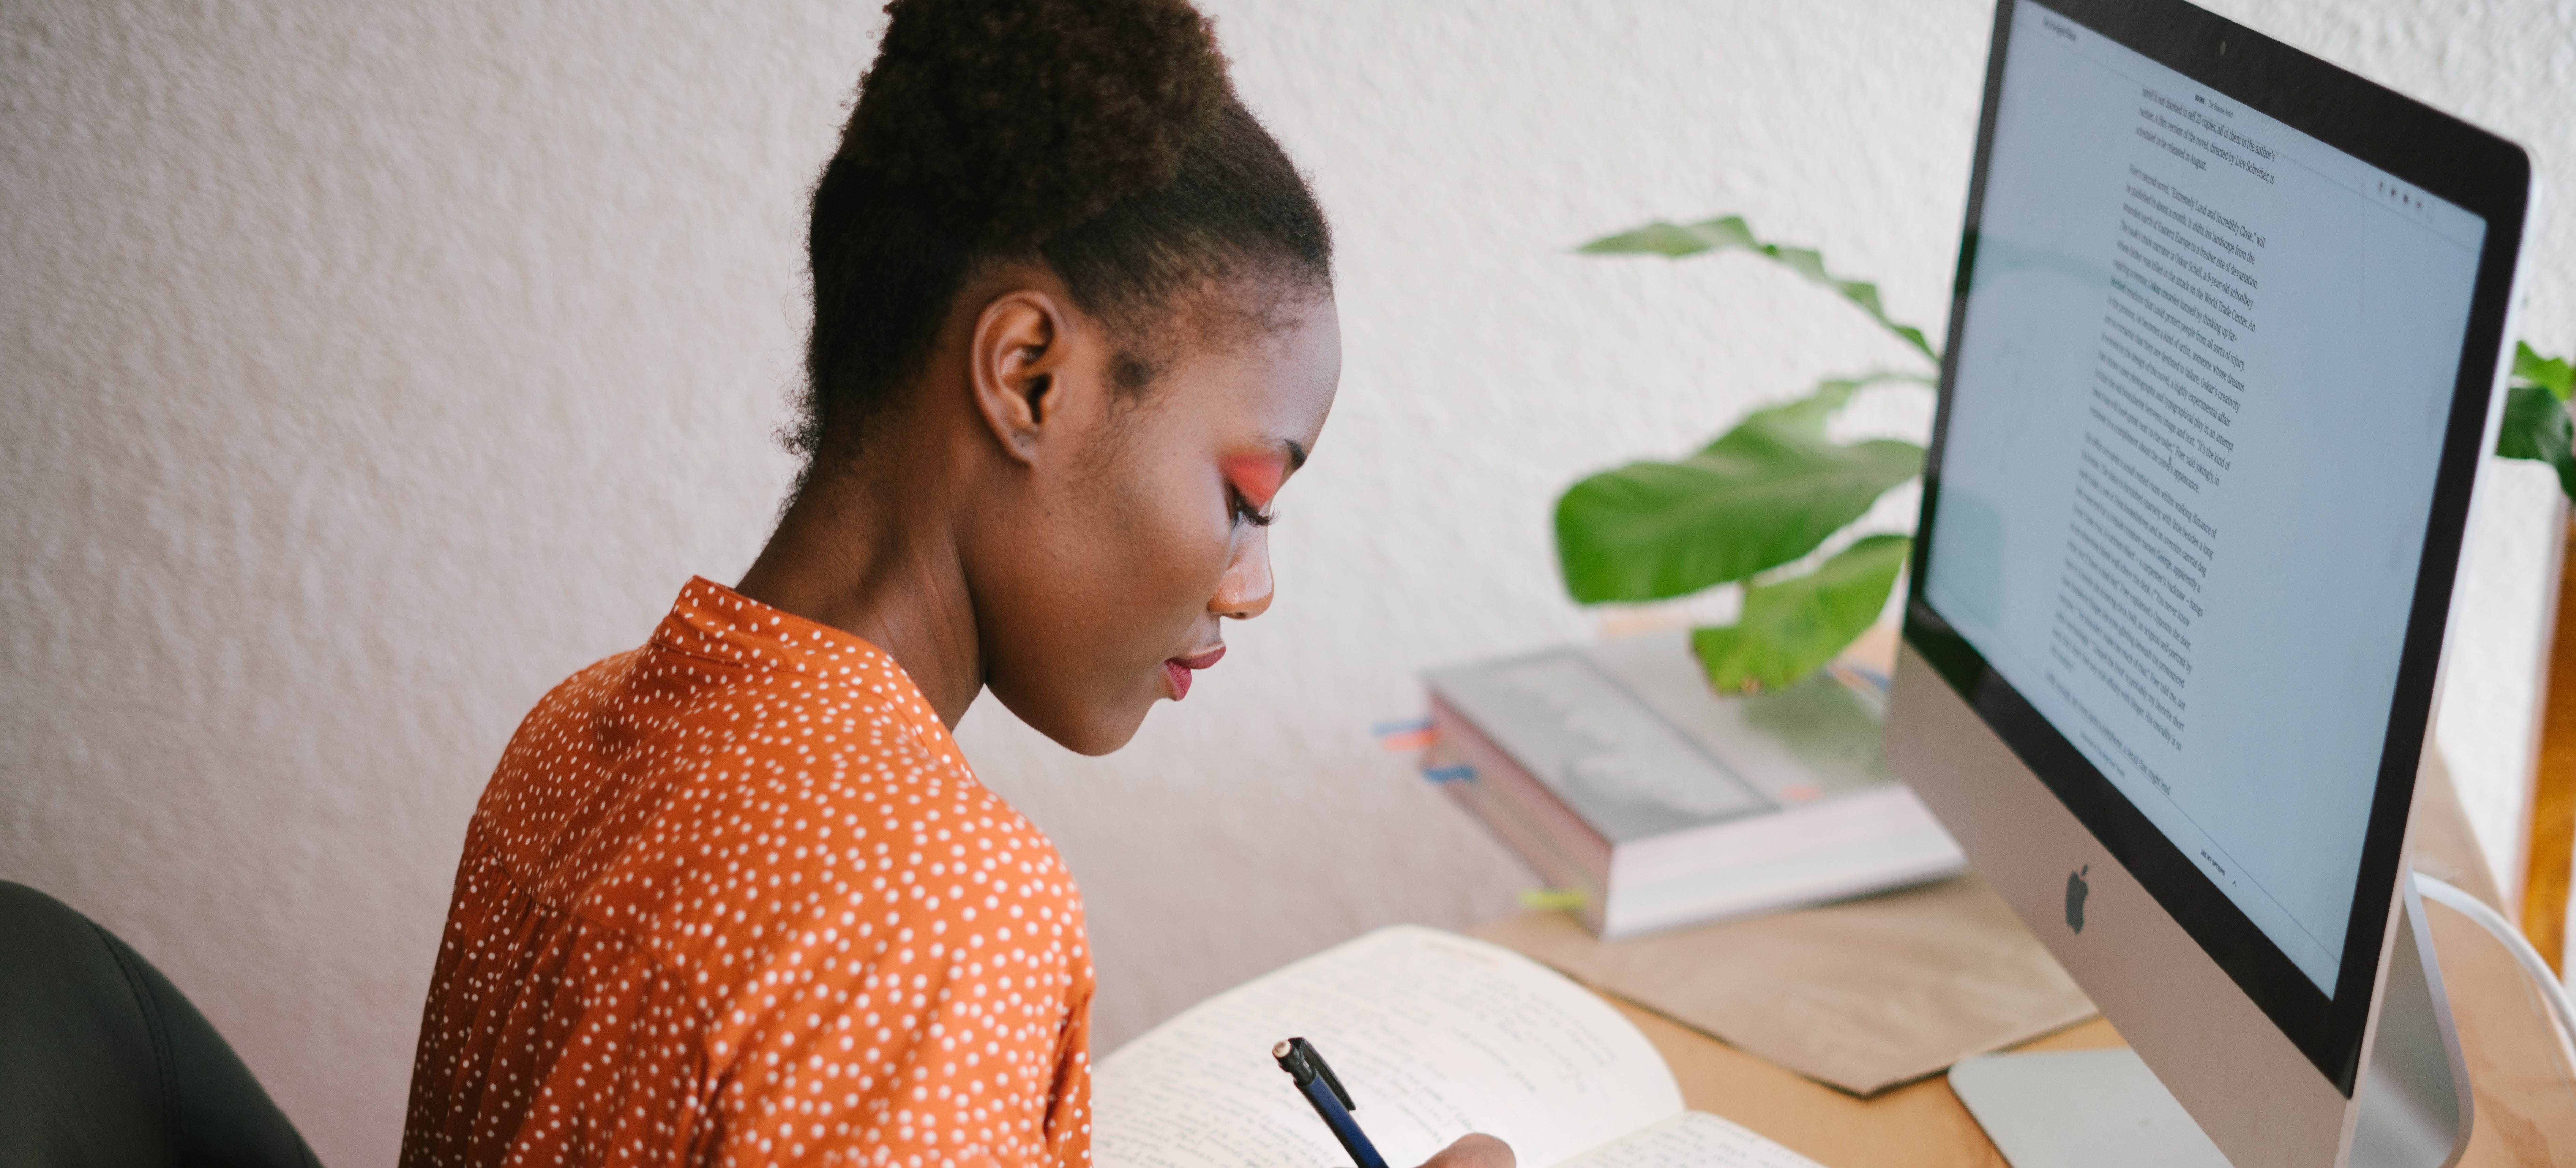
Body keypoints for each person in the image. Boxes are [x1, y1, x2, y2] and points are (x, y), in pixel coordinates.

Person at [399, 2, 1513, 1166]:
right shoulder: (932, 904)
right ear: (1028, 378)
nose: (1252, 587)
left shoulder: (574, 731)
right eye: (1246, 499)